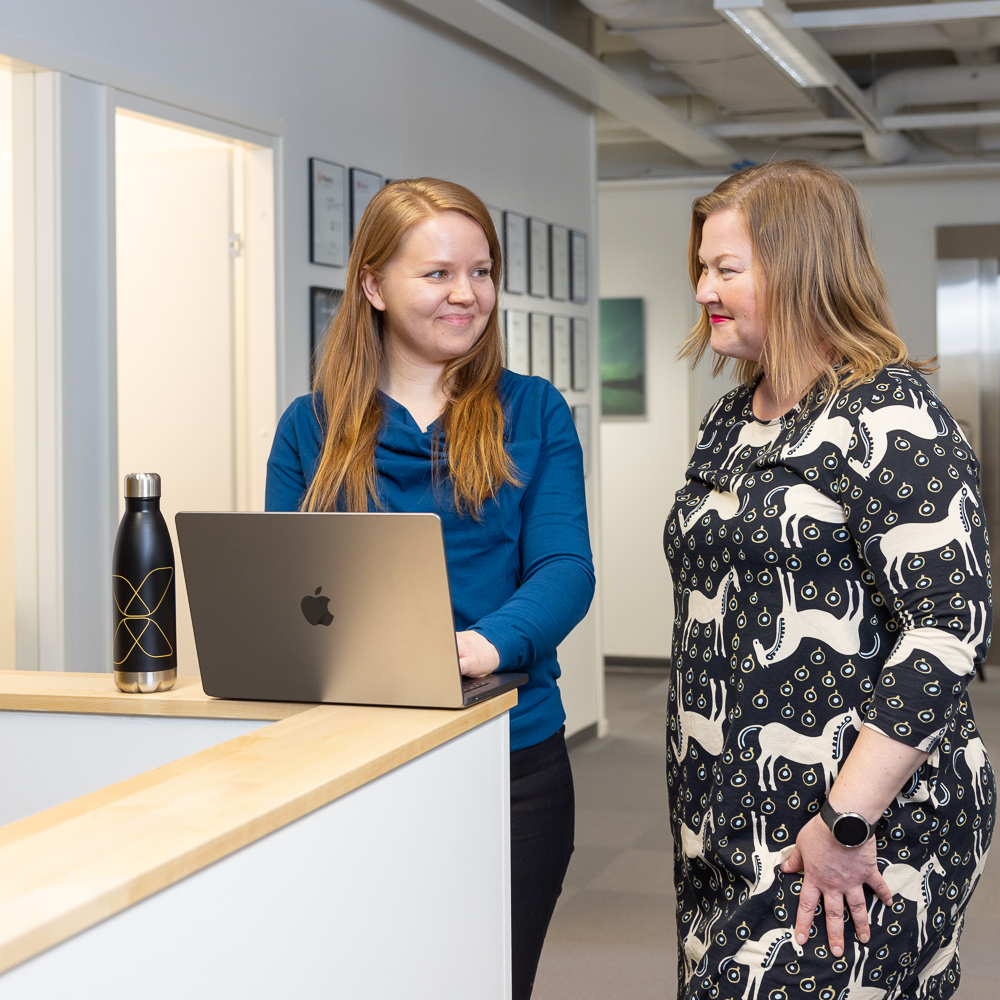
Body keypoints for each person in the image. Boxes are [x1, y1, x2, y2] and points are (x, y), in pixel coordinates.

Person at [664, 159, 995, 1000]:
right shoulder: (732, 419)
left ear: (800, 268)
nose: (705, 288)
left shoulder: (891, 415)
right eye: (701, 267)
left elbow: (947, 629)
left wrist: (846, 822)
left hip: (857, 827)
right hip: (729, 816)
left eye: (727, 269)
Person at [265, 177, 594, 999]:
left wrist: (479, 647)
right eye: (439, 273)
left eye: (481, 272)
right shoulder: (311, 426)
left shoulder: (534, 410)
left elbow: (565, 569)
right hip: (352, 762)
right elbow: (280, 591)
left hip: (508, 762)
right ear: (373, 285)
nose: (467, 294)